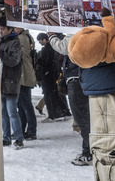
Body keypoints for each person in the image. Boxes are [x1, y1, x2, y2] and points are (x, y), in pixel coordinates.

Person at [49, 33, 91, 167]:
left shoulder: (76, 30)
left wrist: (51, 36)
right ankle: (88, 150)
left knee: (83, 119)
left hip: (77, 79)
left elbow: (62, 46)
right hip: (81, 77)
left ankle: (89, 152)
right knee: (86, 118)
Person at [0, 15, 24, 150]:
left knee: (12, 111)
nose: (0, 31)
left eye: (3, 29)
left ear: (9, 29)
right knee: (3, 112)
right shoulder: (0, 41)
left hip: (11, 82)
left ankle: (18, 138)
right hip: (1, 82)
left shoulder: (15, 42)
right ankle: (6, 137)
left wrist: (1, 55)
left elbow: (14, 61)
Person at [35, 33, 71, 122]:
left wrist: (36, 59)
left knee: (49, 95)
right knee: (56, 94)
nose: (39, 43)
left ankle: (53, 115)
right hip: (54, 74)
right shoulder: (53, 47)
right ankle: (64, 112)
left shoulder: (47, 48)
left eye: (40, 40)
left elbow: (45, 62)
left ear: (44, 39)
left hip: (48, 75)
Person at [14, 27, 38, 140]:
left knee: (25, 105)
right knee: (22, 105)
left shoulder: (21, 38)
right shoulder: (28, 36)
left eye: (15, 27)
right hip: (25, 75)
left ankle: (31, 131)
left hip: (23, 76)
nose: (13, 29)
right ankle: (23, 130)